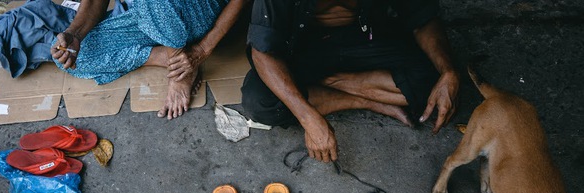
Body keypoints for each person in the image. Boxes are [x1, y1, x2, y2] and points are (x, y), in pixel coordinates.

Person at [241, 0, 460, 162]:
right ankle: (368, 101)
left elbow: (423, 19)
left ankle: (332, 82)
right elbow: (262, 52)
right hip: (305, 45)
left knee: (437, 87)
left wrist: (448, 71)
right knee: (259, 101)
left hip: (368, 37)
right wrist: (308, 118)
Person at [52, 0, 249, 119]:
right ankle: (167, 56)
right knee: (76, 56)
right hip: (145, 14)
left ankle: (181, 70)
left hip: (202, 12)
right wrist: (75, 34)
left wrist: (203, 49)